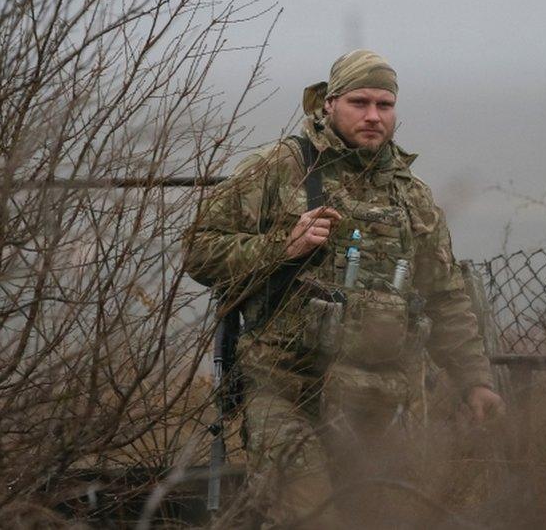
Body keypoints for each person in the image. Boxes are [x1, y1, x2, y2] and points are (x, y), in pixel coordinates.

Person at [183, 49, 505, 528]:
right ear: (329, 104)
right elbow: (199, 252)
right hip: (285, 388)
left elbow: (445, 296)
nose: (373, 116)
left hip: (382, 399)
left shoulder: (410, 194)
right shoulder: (281, 168)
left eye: (384, 104)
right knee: (311, 514)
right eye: (359, 102)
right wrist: (280, 246)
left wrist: (475, 380)